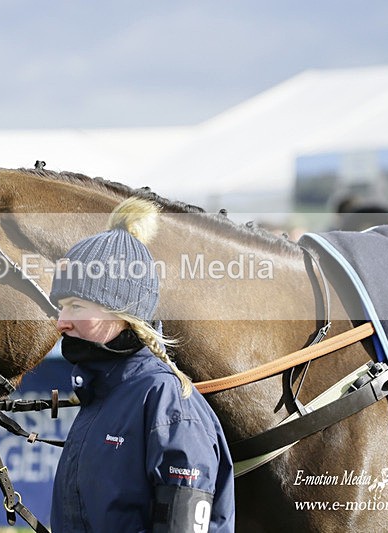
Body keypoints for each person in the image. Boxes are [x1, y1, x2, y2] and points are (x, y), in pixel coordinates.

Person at [48, 198, 235, 532]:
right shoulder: (103, 392)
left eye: (76, 305)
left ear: (123, 312)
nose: (61, 322)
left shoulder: (167, 401)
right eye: (61, 306)